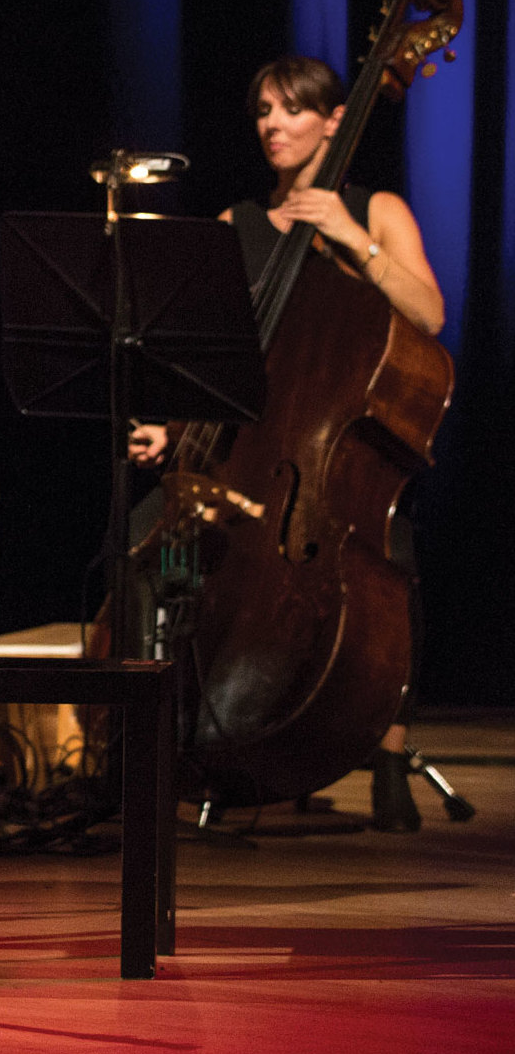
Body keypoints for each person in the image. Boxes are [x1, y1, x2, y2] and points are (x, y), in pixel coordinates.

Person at [128, 54, 443, 829]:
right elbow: (214, 358)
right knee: (133, 548)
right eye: (263, 109)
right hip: (245, 453)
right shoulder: (236, 226)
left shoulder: (376, 211)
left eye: (291, 109)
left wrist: (349, 238)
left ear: (336, 119)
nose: (271, 123)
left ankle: (388, 748)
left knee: (389, 556)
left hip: (334, 456)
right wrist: (172, 427)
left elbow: (428, 316)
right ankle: (160, 746)